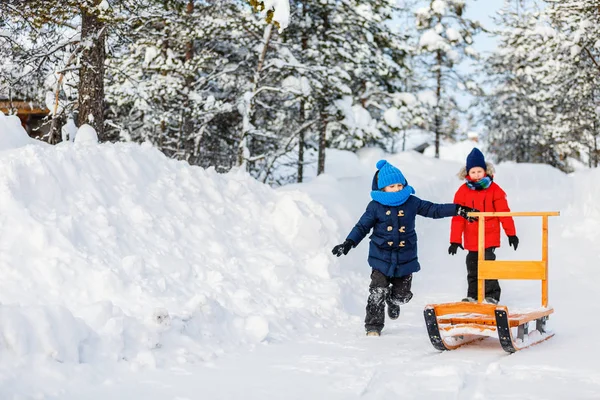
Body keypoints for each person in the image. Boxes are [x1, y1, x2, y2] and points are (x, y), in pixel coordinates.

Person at [332, 159, 476, 337]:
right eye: (392, 186)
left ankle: (393, 300)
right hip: (381, 256)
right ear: (382, 188)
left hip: (405, 257)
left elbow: (434, 209)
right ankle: (373, 326)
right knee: (377, 291)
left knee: (403, 295)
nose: (398, 189)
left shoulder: (411, 202)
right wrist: (349, 243)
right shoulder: (375, 206)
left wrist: (458, 209)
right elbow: (362, 227)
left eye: (400, 185)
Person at [448, 148, 519, 304]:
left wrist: (511, 234)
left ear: (485, 171)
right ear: (467, 173)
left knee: (488, 265)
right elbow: (458, 217)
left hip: (489, 236)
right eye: (473, 172)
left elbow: (504, 213)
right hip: (472, 237)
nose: (476, 175)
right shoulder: (463, 191)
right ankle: (472, 295)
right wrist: (455, 240)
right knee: (472, 266)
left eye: (479, 171)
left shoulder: (495, 190)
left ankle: (492, 294)